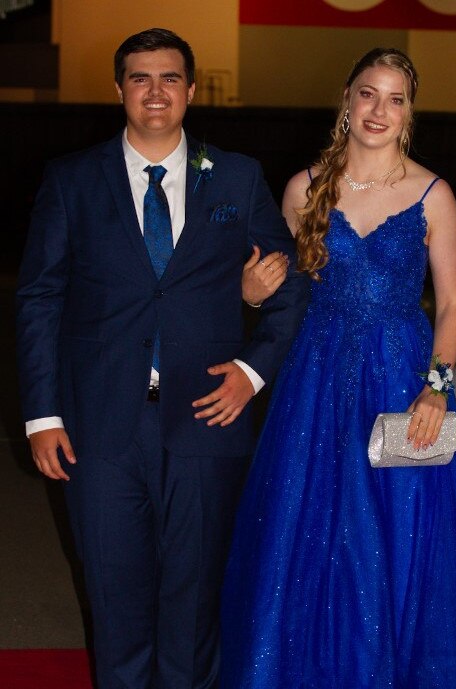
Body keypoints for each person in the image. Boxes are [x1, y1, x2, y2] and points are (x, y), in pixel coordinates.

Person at [16, 28, 309, 689]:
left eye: (169, 78)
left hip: (207, 418)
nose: (155, 91)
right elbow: (39, 299)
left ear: (192, 90)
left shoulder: (234, 175)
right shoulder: (71, 179)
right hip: (97, 426)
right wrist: (41, 416)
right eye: (141, 78)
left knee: (193, 602)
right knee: (115, 600)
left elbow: (289, 288)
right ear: (118, 88)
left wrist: (252, 370)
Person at [221, 48, 456, 688]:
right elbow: (287, 295)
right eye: (368, 94)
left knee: (403, 534)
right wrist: (250, 292)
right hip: (318, 384)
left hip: (404, 378)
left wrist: (435, 387)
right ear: (347, 100)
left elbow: (455, 304)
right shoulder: (303, 189)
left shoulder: (433, 194)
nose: (379, 110)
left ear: (409, 113)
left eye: (396, 98)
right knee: (315, 536)